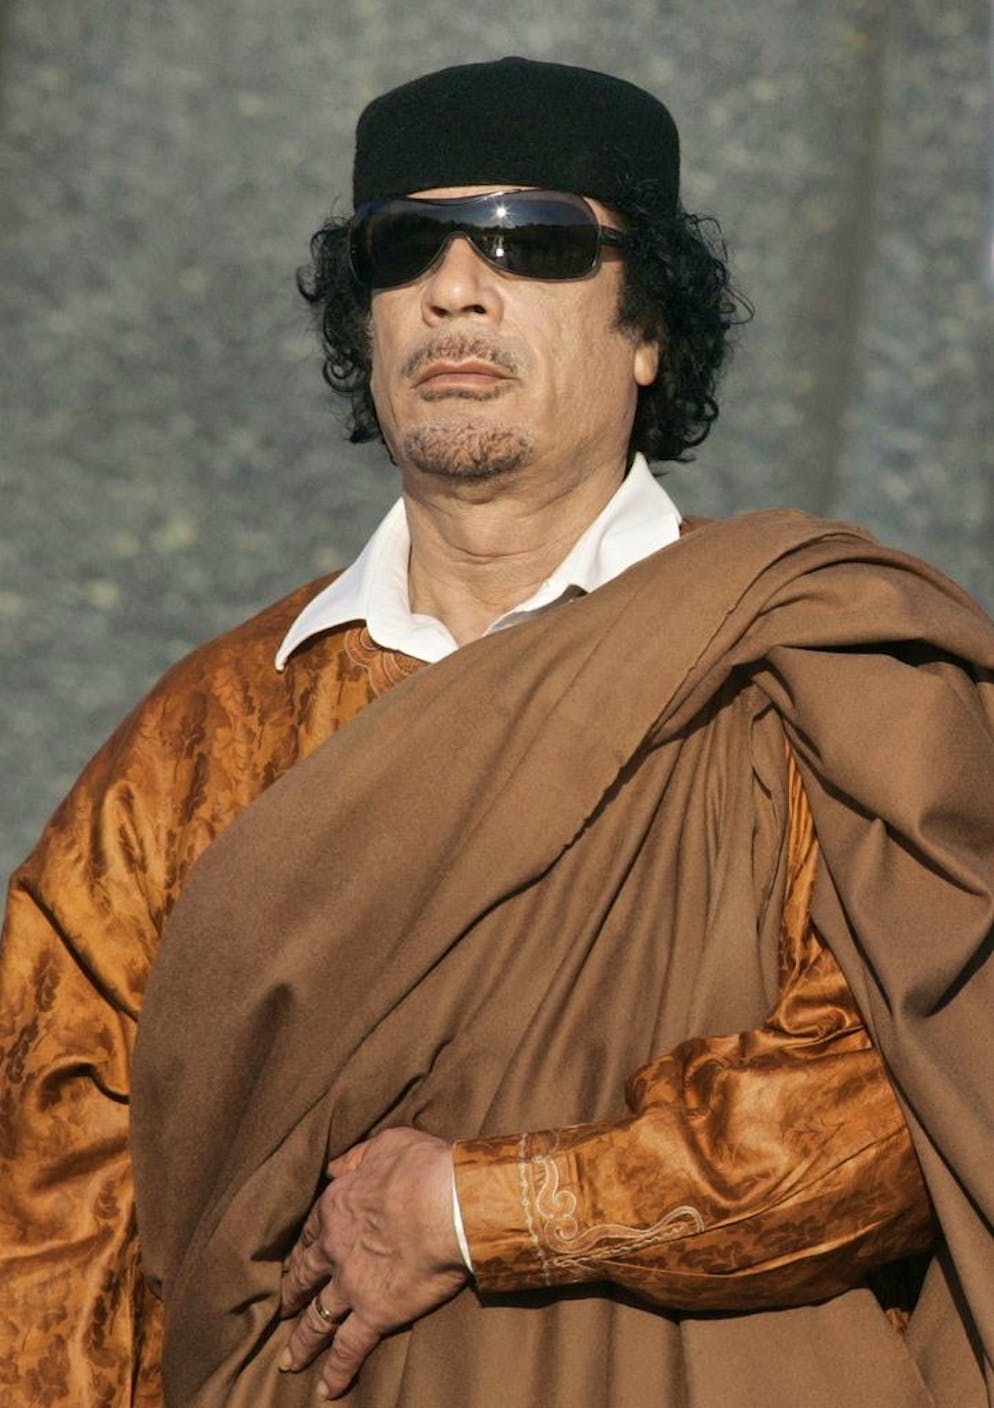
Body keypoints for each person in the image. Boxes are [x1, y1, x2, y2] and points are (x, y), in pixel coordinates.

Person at [2, 55, 992, 1408]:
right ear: (364, 324)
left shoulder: (814, 670)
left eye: (535, 243)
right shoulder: (202, 738)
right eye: (405, 249)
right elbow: (51, 1208)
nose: (457, 289)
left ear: (648, 330)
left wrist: (480, 1210)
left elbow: (908, 1101)